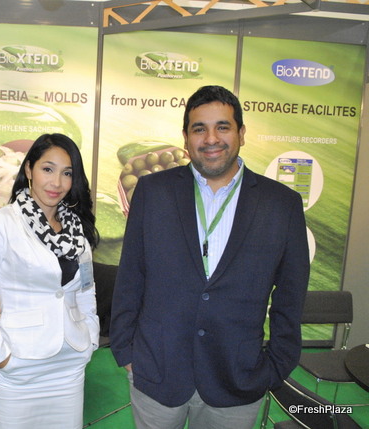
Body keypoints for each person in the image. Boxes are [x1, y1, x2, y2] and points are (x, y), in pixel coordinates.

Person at [110, 85, 310, 429]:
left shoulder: (281, 204)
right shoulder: (153, 192)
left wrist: (277, 364)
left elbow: (291, 294)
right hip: (156, 370)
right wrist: (126, 351)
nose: (211, 138)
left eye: (223, 127)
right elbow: (131, 275)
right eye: (199, 128)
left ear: (241, 133)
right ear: (186, 138)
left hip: (237, 377)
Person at [0, 133, 100, 429]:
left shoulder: (76, 228)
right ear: (29, 170)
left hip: (69, 364)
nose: (57, 182)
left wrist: (90, 336)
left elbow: (85, 289)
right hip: (19, 364)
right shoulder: (2, 222)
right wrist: (0, 356)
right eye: (47, 169)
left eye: (67, 173)